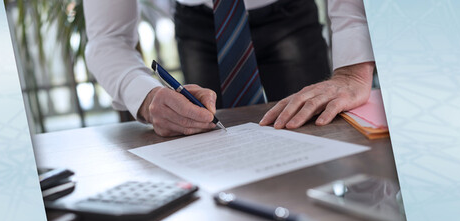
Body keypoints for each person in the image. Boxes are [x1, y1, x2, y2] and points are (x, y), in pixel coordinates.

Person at [84, 0, 374, 137]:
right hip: (200, 27)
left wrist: (353, 72)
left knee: (319, 136)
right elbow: (108, 39)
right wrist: (146, 97)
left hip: (288, 17)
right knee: (214, 139)